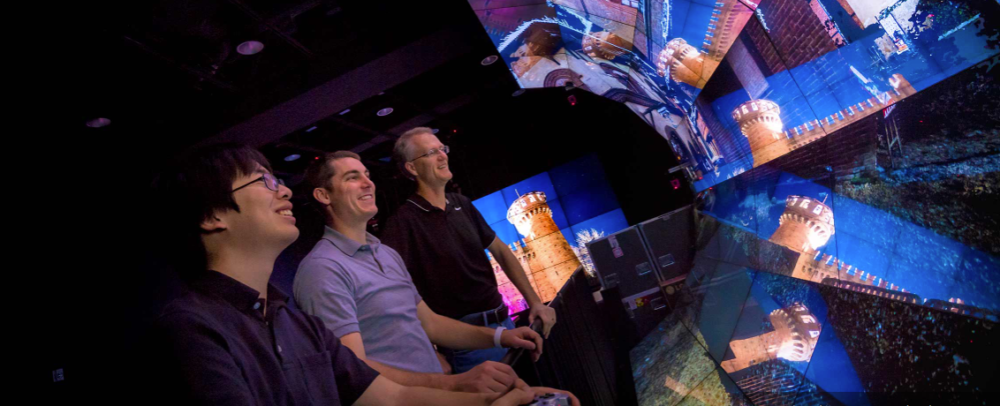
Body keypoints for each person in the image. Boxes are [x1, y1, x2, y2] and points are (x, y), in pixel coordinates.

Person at [144, 143, 576, 405]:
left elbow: (391, 395)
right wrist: (465, 388)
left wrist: (486, 397)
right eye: (263, 181)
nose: (283, 189)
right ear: (212, 216)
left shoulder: (292, 320)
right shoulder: (192, 329)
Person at [295, 151, 543, 394]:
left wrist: (501, 336)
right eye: (352, 177)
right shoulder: (322, 269)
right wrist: (454, 384)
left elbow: (431, 324)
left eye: (367, 174)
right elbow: (353, 368)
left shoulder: (384, 253)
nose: (367, 182)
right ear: (324, 195)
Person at [381, 127, 557, 374]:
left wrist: (535, 302)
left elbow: (502, 251)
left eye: (443, 149)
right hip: (465, 346)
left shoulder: (461, 204)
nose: (443, 156)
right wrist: (429, 351)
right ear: (412, 168)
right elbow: (395, 293)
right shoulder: (402, 223)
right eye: (432, 152)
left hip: (507, 326)